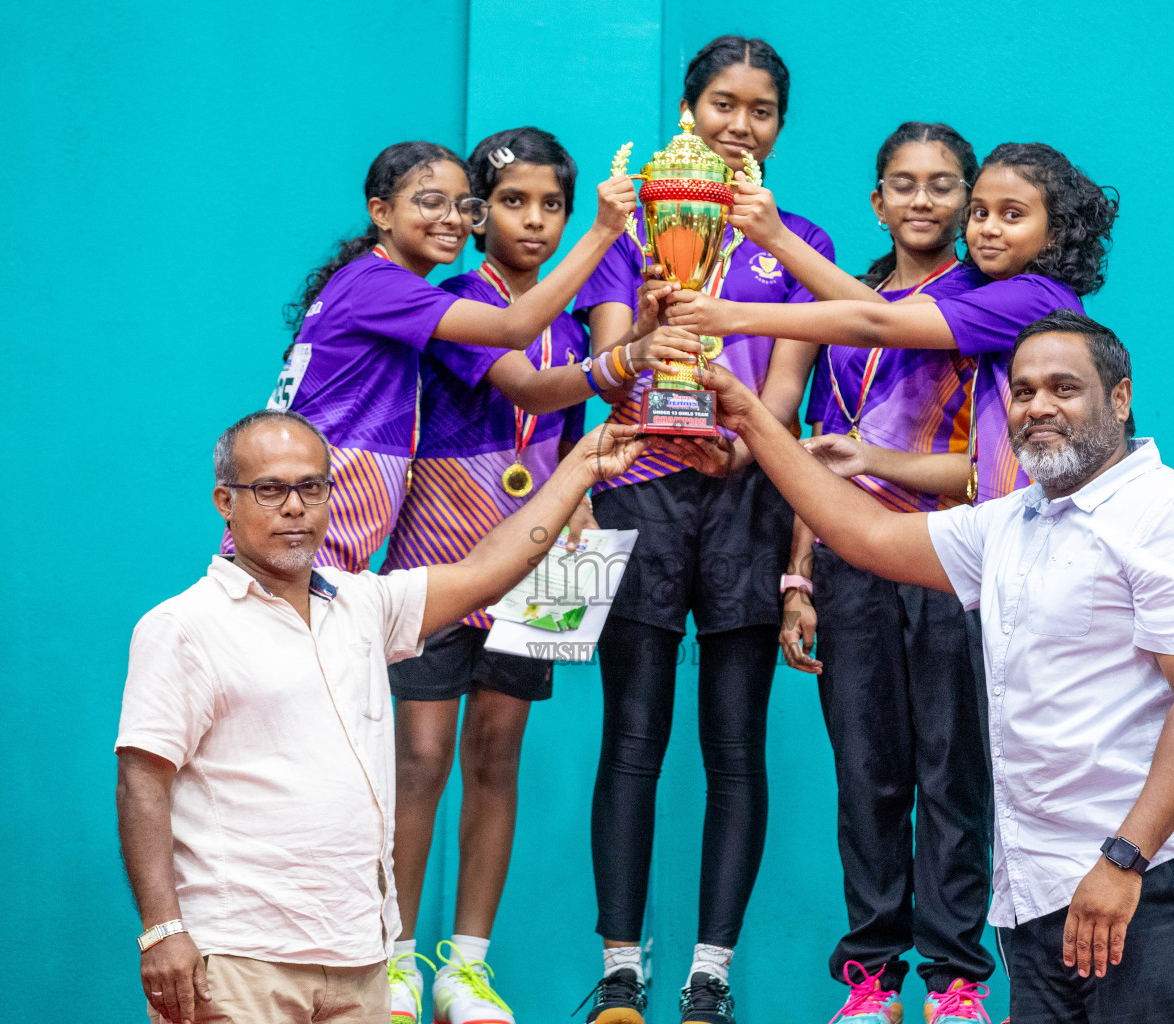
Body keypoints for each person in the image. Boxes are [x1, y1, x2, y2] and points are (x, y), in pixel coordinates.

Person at [664, 309, 1174, 1024]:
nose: (1037, 407)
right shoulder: (1013, 522)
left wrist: (1125, 860)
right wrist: (753, 419)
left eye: (1063, 388)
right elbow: (866, 533)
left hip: (1152, 879)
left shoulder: (1166, 516)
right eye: (1024, 390)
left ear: (1119, 399)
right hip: (1038, 891)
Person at [117, 409, 655, 1024]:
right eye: (269, 489)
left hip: (361, 965)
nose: (293, 506)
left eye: (310, 487)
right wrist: (162, 930)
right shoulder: (181, 627)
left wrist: (582, 463)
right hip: (239, 964)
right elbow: (141, 782)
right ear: (225, 503)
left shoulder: (363, 604)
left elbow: (486, 574)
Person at [376, 127, 700, 1024]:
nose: (535, 220)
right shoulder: (452, 300)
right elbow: (531, 389)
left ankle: (464, 969)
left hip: (546, 561)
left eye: (552, 204)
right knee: (422, 759)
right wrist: (630, 357)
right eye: (514, 202)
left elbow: (579, 427)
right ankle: (396, 960)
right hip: (440, 562)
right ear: (479, 215)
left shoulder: (568, 317)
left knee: (496, 758)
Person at [572, 35, 833, 1024]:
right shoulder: (633, 221)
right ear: (691, 108)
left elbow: (790, 382)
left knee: (737, 742)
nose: (740, 124)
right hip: (637, 481)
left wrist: (745, 438)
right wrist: (644, 339)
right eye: (724, 102)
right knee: (630, 734)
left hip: (748, 492)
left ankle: (711, 974)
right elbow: (609, 360)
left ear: (778, 125)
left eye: (761, 109)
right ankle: (622, 969)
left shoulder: (795, 237)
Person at [771, 122, 998, 1024]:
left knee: (954, 774)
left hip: (953, 560)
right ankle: (871, 976)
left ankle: (954, 982)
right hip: (848, 566)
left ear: (968, 202)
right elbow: (811, 457)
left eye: (943, 186)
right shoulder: (848, 302)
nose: (921, 200)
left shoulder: (988, 304)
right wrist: (799, 577)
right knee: (866, 775)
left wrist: (880, 462)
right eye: (903, 184)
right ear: (876, 200)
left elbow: (1000, 463)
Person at [234, 139, 636, 573]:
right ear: (381, 212)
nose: (452, 218)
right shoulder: (377, 283)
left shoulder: (390, 291)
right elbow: (514, 329)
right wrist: (604, 234)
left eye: (464, 206)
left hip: (328, 540)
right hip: (300, 531)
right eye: (431, 202)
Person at [668, 140, 1117, 503]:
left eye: (1012, 215)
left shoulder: (1035, 297)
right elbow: (879, 315)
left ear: (1056, 230)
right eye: (980, 213)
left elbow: (877, 325)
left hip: (1009, 509)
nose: (990, 228)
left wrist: (732, 312)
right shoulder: (972, 282)